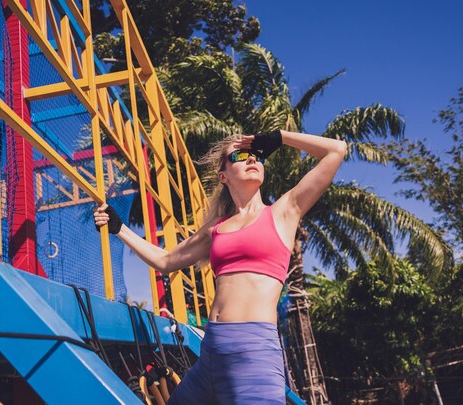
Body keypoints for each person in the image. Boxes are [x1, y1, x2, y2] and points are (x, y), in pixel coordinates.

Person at [94, 129, 347, 404]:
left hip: (253, 353)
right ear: (223, 176)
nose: (252, 160)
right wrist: (119, 229)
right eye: (241, 156)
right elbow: (165, 262)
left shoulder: (284, 211)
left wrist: (279, 138)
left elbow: (336, 150)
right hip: (210, 354)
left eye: (257, 157)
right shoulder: (216, 229)